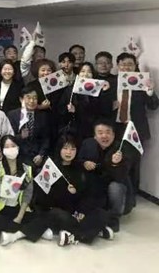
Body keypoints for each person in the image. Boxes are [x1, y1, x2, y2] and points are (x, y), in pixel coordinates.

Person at [34, 136, 113, 247]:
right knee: (58, 215)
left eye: (72, 149)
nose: (69, 152)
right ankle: (89, 232)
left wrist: (81, 211)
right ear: (59, 149)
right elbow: (43, 200)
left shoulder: (80, 169)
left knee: (102, 214)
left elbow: (87, 194)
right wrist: (66, 193)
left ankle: (72, 235)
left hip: (76, 212)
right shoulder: (51, 169)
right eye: (65, 148)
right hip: (59, 211)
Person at [0, 135, 52, 246]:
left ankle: (15, 235)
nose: (10, 149)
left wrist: (19, 217)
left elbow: (27, 195)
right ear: (2, 150)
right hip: (0, 210)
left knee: (44, 217)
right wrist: (3, 191)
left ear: (18, 148)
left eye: (13, 146)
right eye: (6, 147)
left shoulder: (27, 169)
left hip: (19, 209)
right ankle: (33, 230)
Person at [77, 120, 134, 232]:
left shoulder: (121, 148)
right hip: (95, 186)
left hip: (114, 184)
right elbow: (77, 161)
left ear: (113, 135)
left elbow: (122, 175)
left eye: (108, 132)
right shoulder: (88, 144)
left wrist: (115, 163)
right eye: (100, 132)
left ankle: (114, 217)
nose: (104, 136)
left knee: (115, 187)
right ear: (95, 135)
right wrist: (84, 163)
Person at [113, 52, 158, 193]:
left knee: (133, 164)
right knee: (114, 161)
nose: (126, 67)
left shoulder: (142, 82)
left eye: (130, 64)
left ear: (135, 66)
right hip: (115, 128)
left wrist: (150, 90)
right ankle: (116, 193)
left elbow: (153, 106)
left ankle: (132, 194)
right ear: (118, 66)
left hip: (136, 129)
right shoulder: (111, 82)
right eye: (123, 64)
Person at [58, 62, 113, 144]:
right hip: (74, 130)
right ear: (78, 74)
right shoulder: (70, 90)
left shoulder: (99, 90)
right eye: (83, 71)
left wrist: (105, 92)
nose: (86, 74)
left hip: (92, 129)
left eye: (89, 72)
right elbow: (60, 111)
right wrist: (70, 110)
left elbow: (106, 111)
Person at [7, 87, 51, 167]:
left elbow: (46, 138)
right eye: (28, 98)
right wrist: (21, 136)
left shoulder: (42, 116)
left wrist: (41, 154)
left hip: (37, 155)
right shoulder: (12, 115)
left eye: (34, 98)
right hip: (19, 155)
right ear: (21, 99)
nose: (32, 101)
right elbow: (8, 138)